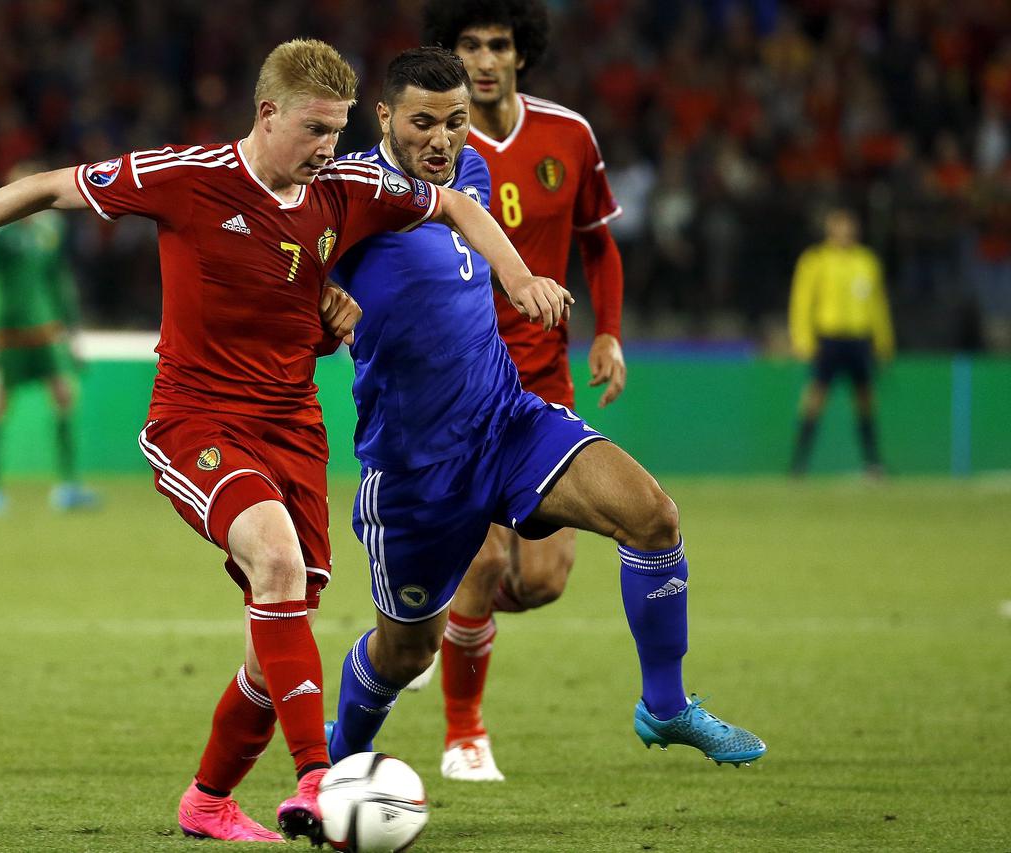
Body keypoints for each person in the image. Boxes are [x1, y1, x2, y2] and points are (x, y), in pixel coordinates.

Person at [0, 39, 570, 844]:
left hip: (294, 429)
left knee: (273, 654)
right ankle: (319, 777)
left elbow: (454, 207)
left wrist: (512, 279)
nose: (327, 151)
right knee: (274, 560)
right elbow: (45, 188)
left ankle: (206, 800)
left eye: (338, 132)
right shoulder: (186, 177)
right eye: (313, 131)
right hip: (197, 420)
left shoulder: (343, 183)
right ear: (268, 115)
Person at [325, 46, 765, 780]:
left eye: (457, 122)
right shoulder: (342, 191)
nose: (442, 140)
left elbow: (471, 226)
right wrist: (321, 305)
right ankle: (339, 760)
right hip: (415, 470)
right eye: (423, 122)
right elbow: (286, 271)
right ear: (383, 117)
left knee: (652, 515)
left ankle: (665, 702)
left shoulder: (467, 170)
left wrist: (524, 279)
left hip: (506, 421)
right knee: (405, 651)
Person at [416, 0, 630, 781]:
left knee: (540, 581)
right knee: (479, 562)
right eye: (467, 44)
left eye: (497, 44)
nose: (482, 58)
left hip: (545, 385)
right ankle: (464, 733)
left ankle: (429, 630)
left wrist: (607, 330)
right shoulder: (429, 142)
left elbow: (597, 242)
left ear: (521, 53)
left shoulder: (569, 135)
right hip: (461, 386)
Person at [0, 162, 96, 514]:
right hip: (9, 333)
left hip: (45, 329)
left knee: (64, 396)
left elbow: (59, 280)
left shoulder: (51, 230)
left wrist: (71, 330)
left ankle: (68, 485)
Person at [789, 206, 895, 476]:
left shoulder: (866, 261)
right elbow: (802, 301)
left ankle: (873, 463)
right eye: (840, 226)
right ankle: (798, 464)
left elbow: (877, 303)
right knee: (815, 399)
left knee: (865, 401)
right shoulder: (816, 260)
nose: (845, 232)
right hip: (829, 340)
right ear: (830, 229)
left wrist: (883, 340)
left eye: (849, 227)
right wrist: (802, 338)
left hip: (859, 340)